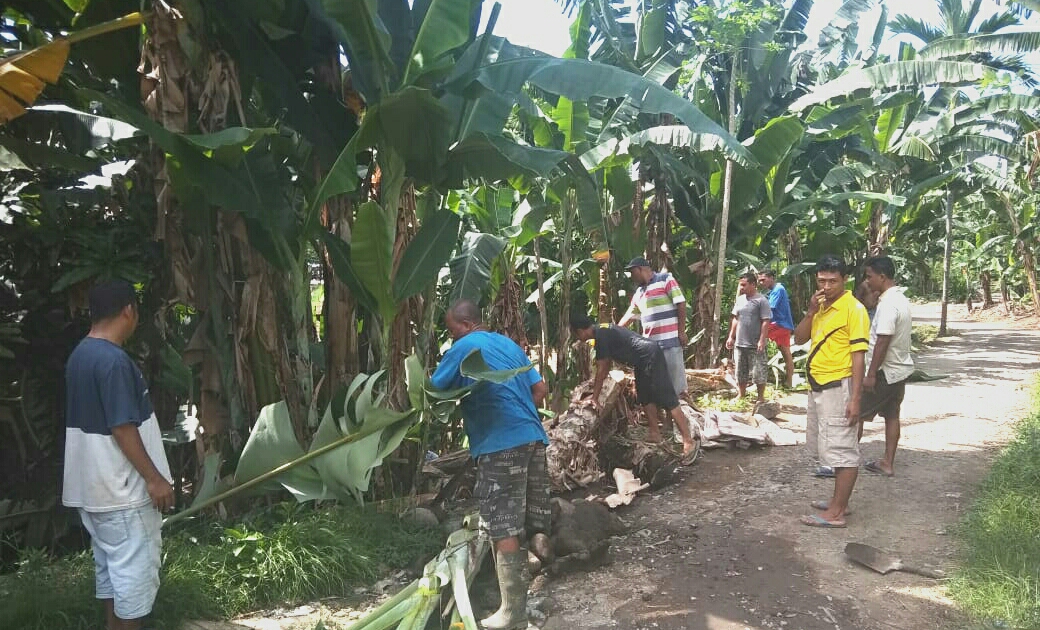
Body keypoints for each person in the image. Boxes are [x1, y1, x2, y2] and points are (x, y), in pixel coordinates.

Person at [430, 300, 549, 630]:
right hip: (533, 438)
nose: (453, 338)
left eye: (453, 331)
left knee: (503, 522)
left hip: (502, 445)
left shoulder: (465, 347)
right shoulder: (508, 343)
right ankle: (525, 599)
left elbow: (434, 390)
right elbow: (539, 389)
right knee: (522, 519)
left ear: (466, 325)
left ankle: (513, 613)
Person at [63, 280, 174, 630]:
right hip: (122, 494)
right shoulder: (113, 362)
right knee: (134, 583)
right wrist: (154, 479)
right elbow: (122, 428)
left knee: (113, 575)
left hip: (93, 492)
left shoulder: (80, 354)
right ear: (129, 310)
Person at [793, 255, 870, 528]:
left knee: (843, 449)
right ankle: (840, 502)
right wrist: (811, 311)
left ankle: (836, 513)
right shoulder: (822, 307)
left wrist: (856, 398)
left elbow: (858, 356)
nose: (827, 286)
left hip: (840, 385)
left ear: (845, 280)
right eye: (822, 280)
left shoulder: (854, 310)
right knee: (831, 447)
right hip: (819, 385)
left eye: (833, 281)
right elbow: (799, 338)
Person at [570, 315, 697, 461]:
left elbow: (602, 368)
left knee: (667, 396)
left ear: (580, 331)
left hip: (650, 355)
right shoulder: (601, 331)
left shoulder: (601, 335)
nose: (577, 337)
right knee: (644, 395)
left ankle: (688, 440)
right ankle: (654, 433)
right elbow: (606, 365)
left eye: (576, 334)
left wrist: (594, 398)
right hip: (641, 360)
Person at [857, 256, 914, 477]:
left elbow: (883, 340)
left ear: (882, 277)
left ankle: (842, 464)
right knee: (892, 415)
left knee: (855, 415)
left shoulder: (889, 304)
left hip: (884, 372)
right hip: (899, 370)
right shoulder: (900, 299)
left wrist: (870, 374)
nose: (867, 281)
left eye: (869, 276)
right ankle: (887, 462)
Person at [617, 257, 689, 402]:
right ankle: (663, 421)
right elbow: (630, 315)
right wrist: (613, 330)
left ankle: (674, 422)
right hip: (651, 347)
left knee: (675, 386)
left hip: (671, 342)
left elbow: (681, 304)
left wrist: (681, 332)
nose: (632, 276)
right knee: (657, 386)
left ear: (640, 269)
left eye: (632, 272)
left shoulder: (665, 279)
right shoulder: (639, 293)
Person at [726, 272, 772, 403]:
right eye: (740, 285)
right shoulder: (740, 300)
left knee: (759, 372)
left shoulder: (761, 301)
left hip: (755, 343)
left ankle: (761, 397)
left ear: (753, 284)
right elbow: (736, 318)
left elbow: (765, 321)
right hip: (740, 343)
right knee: (740, 371)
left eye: (744, 285)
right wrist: (731, 336)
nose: (741, 288)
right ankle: (741, 394)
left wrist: (762, 339)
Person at [758, 270, 796, 388]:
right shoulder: (775, 290)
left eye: (763, 280)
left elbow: (769, 309)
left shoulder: (778, 289)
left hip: (779, 325)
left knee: (755, 338)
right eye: (759, 280)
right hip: (783, 325)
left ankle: (758, 377)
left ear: (772, 278)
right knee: (786, 353)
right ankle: (789, 383)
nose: (761, 283)